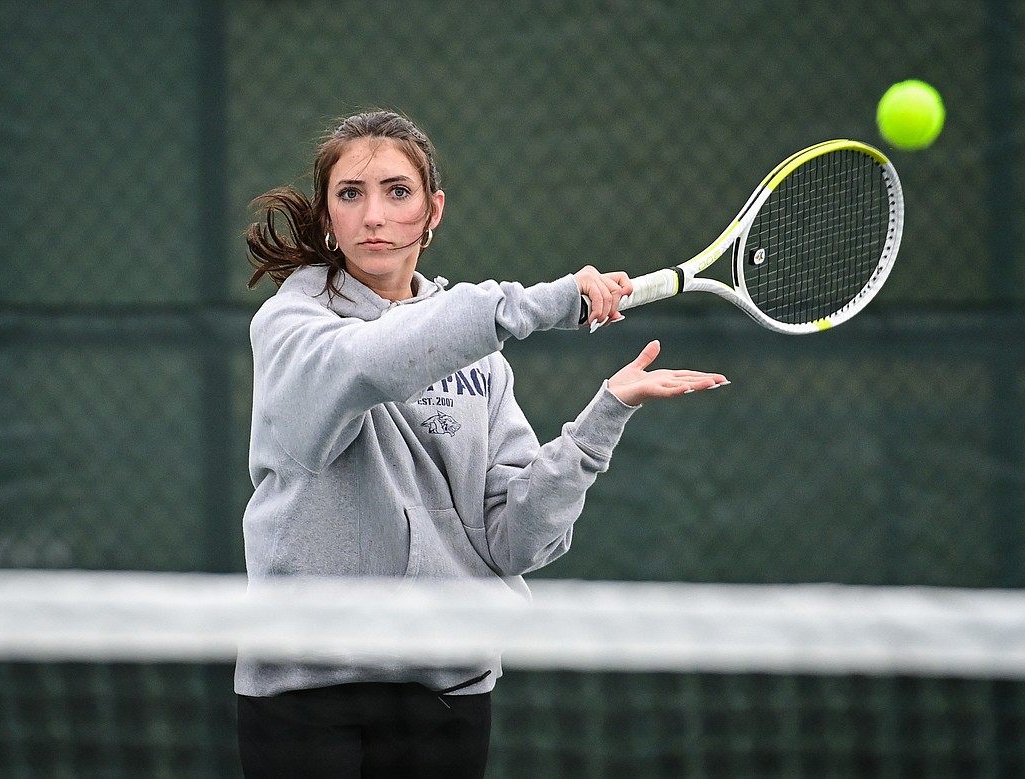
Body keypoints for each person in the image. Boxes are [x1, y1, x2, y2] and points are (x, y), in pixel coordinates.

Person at [234, 109, 729, 778]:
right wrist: (549, 302)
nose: (373, 214)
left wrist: (603, 416)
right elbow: (373, 360)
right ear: (327, 215)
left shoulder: (484, 363)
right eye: (351, 193)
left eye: (397, 191)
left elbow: (514, 540)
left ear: (433, 210)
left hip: (447, 686)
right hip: (307, 684)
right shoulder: (291, 327)